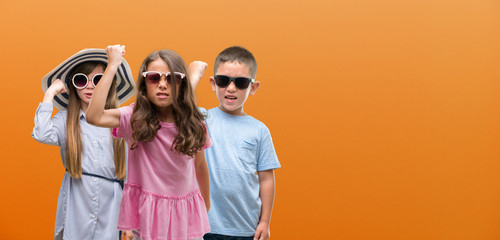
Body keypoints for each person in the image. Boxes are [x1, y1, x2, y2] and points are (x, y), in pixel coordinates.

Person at [86, 45, 211, 240]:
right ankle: (189, 75)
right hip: (148, 217)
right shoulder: (134, 119)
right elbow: (94, 117)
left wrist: (205, 204)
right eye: (154, 78)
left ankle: (191, 75)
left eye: (171, 78)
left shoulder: (194, 124)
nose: (162, 84)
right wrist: (112, 66)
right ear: (144, 84)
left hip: (184, 215)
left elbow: (201, 166)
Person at [32, 48, 135, 240]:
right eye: (81, 80)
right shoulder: (66, 119)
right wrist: (50, 93)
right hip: (77, 199)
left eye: (97, 80)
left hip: (111, 202)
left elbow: (133, 171)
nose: (90, 87)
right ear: (73, 85)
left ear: (107, 84)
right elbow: (42, 133)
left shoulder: (119, 119)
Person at [192, 46, 281, 240]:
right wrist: (195, 74)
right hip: (205, 226)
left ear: (253, 87)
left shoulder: (259, 130)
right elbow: (178, 109)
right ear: (213, 83)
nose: (231, 88)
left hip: (245, 228)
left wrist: (265, 222)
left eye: (240, 82)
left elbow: (266, 178)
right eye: (223, 81)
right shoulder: (202, 118)